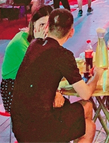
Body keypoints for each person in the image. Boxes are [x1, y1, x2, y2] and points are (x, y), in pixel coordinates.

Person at [11, 8, 103, 143]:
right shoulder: (63, 55)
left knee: (87, 107)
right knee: (89, 128)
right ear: (71, 32)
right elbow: (85, 94)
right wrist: (97, 75)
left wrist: (55, 92)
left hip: (19, 124)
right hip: (37, 128)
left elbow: (39, 76)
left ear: (47, 26)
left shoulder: (34, 45)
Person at [0, 6, 53, 113]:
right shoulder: (21, 42)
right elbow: (39, 70)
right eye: (41, 25)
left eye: (48, 26)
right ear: (33, 24)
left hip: (29, 86)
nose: (45, 29)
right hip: (13, 90)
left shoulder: (41, 41)